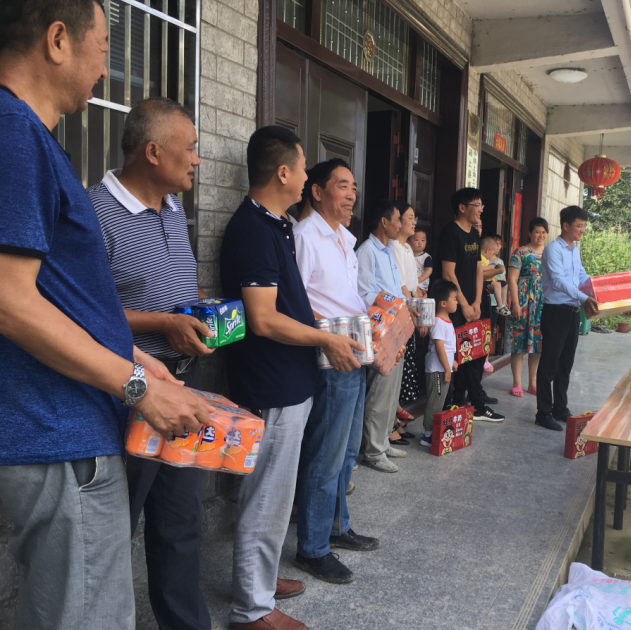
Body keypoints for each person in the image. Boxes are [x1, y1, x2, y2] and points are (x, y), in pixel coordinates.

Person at [0, 3, 212, 629]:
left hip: (71, 433)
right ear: (57, 40)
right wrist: (138, 385)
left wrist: (136, 356)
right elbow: (10, 301)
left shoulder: (31, 138)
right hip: (59, 434)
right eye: (103, 46)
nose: (106, 67)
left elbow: (61, 299)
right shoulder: (14, 132)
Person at [220, 126, 361, 630]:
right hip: (271, 385)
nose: (306, 179)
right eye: (302, 169)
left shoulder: (275, 224)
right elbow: (261, 319)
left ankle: (259, 577)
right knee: (266, 496)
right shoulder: (254, 231)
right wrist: (325, 339)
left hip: (289, 381)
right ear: (283, 172)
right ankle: (252, 609)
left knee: (276, 496)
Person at [88, 97, 213, 630]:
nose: (197, 159)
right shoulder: (95, 214)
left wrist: (196, 314)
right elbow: (84, 310)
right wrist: (163, 323)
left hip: (183, 387)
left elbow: (175, 283)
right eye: (191, 148)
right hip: (128, 393)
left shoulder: (173, 209)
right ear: (153, 151)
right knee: (112, 529)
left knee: (181, 523)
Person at [293, 158, 379, 585]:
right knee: (325, 455)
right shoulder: (305, 236)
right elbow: (294, 304)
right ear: (317, 191)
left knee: (346, 452)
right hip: (331, 357)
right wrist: (331, 336)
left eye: (353, 187)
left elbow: (348, 298)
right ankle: (312, 548)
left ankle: (337, 526)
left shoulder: (345, 238)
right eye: (342, 185)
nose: (351, 194)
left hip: (356, 351)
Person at [434, 189, 505, 422]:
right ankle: (469, 404)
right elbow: (448, 273)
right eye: (477, 205)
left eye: (481, 205)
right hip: (456, 305)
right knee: (460, 354)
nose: (481, 210)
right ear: (462, 207)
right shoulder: (450, 233)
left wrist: (476, 301)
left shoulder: (474, 234)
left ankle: (467, 402)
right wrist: (464, 304)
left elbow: (478, 270)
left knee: (476, 354)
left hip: (475, 304)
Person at [537, 206, 600, 432]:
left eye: (584, 226)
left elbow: (581, 276)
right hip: (556, 312)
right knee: (549, 364)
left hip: (572, 312)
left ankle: (560, 408)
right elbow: (558, 281)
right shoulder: (553, 249)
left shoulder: (574, 250)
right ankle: (543, 413)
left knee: (566, 364)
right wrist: (584, 297)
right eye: (579, 226)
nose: (583, 230)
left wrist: (598, 290)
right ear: (566, 226)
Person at [356, 200, 408, 472]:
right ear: (384, 222)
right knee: (379, 391)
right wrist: (392, 307)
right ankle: (373, 451)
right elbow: (364, 294)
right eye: (398, 219)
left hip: (396, 329)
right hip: (381, 331)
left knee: (391, 390)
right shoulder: (367, 251)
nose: (401, 225)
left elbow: (394, 290)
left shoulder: (388, 251)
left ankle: (384, 442)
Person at [391, 201, 425, 442]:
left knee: (403, 370)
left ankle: (396, 419)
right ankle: (392, 421)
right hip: (401, 313)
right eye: (410, 217)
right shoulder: (393, 247)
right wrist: (413, 304)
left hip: (410, 310)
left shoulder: (406, 249)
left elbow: (414, 285)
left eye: (414, 218)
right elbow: (401, 285)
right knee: (395, 371)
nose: (414, 222)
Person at [507, 217, 549, 397]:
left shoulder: (549, 254)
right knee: (519, 343)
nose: (541, 235)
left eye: (544, 232)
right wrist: (515, 304)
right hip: (523, 302)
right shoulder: (520, 253)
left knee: (538, 344)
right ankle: (517, 382)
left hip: (542, 304)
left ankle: (533, 383)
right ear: (530, 233)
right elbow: (512, 279)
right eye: (537, 231)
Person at [419, 280, 459, 447]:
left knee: (440, 400)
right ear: (443, 303)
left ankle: (433, 431)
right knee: (435, 402)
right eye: (454, 299)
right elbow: (439, 347)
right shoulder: (439, 322)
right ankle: (428, 435)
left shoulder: (446, 320)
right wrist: (447, 368)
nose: (457, 302)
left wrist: (452, 361)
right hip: (437, 369)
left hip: (443, 367)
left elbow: (447, 346)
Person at [481, 234, 511, 317]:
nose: (498, 246)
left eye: (499, 243)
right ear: (488, 249)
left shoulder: (499, 261)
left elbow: (503, 278)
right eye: (496, 243)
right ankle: (500, 306)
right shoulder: (481, 258)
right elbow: (480, 270)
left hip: (494, 291)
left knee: (504, 284)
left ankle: (502, 304)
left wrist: (504, 299)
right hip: (486, 289)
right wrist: (492, 268)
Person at [409, 228, 433, 292]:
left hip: (421, 285)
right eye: (416, 240)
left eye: (423, 240)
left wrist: (418, 280)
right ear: (408, 241)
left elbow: (429, 270)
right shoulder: (407, 254)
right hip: (409, 283)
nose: (420, 243)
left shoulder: (426, 257)